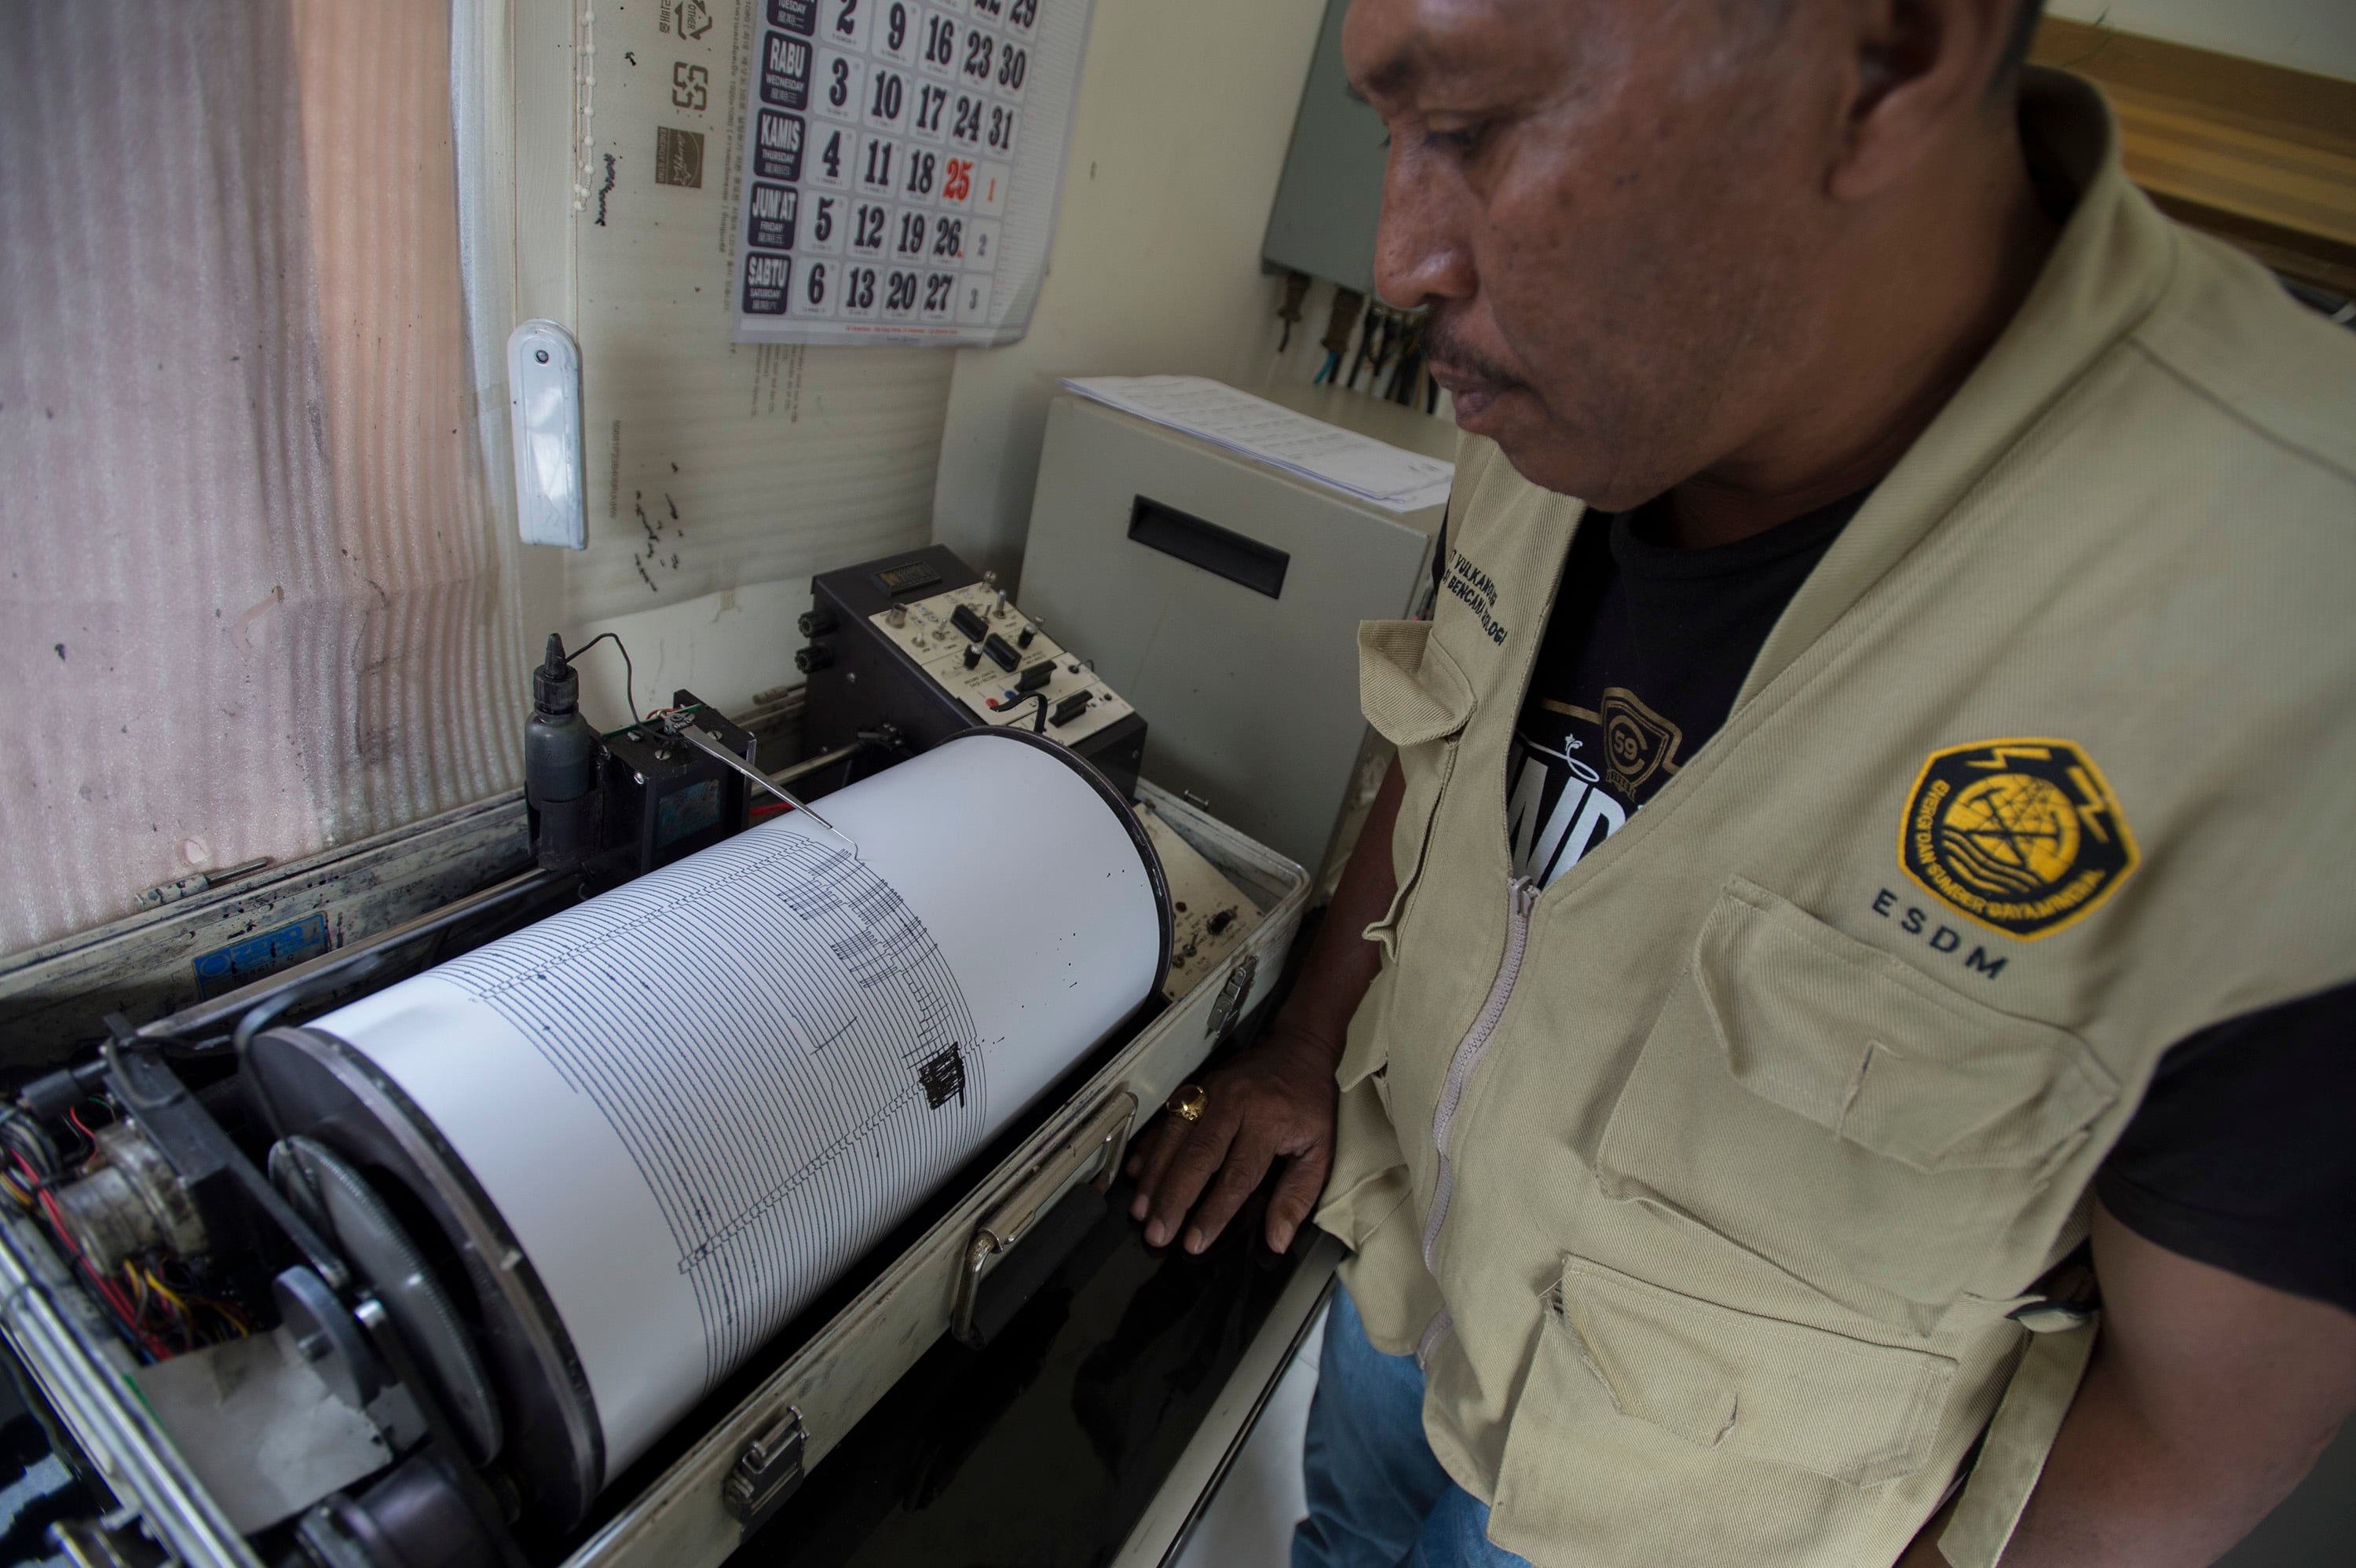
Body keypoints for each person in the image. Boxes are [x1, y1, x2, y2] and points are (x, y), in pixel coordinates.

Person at [1122, 1, 2356, 1564]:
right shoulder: (1558, 395)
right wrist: (1306, 1038)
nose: (1402, 257)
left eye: (1477, 123)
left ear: (1892, 53)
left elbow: (2194, 1431)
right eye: (1388, 131)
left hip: (1684, 1521)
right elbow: (1437, 748)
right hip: (1405, 1298)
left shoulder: (2300, 643)